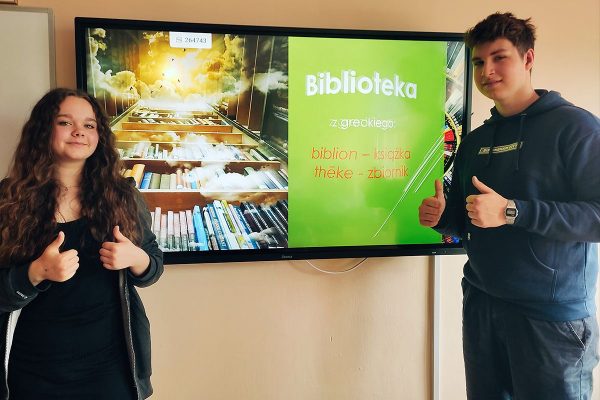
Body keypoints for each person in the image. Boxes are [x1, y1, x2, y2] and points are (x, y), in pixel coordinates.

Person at [419, 12, 600, 400]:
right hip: (482, 305)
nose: (487, 71)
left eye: (499, 57)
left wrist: (512, 211)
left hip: (550, 319)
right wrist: (443, 218)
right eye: (479, 62)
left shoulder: (576, 127)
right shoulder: (475, 141)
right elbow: (468, 222)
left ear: (528, 58)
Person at [0, 88, 164, 399]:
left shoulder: (123, 196)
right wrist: (35, 273)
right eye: (65, 122)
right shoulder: (8, 200)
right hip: (30, 372)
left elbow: (153, 267)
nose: (79, 132)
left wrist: (136, 258)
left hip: (110, 371)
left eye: (89, 125)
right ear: (43, 129)